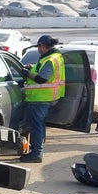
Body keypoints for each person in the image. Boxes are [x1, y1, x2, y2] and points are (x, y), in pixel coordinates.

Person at [19, 34, 65, 163]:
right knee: (39, 125)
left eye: (39, 47)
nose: (38, 50)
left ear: (43, 45)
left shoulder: (50, 59)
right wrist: (31, 68)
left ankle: (36, 153)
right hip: (47, 97)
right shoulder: (54, 57)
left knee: (36, 126)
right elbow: (41, 72)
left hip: (40, 99)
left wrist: (27, 73)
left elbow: (41, 79)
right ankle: (38, 150)